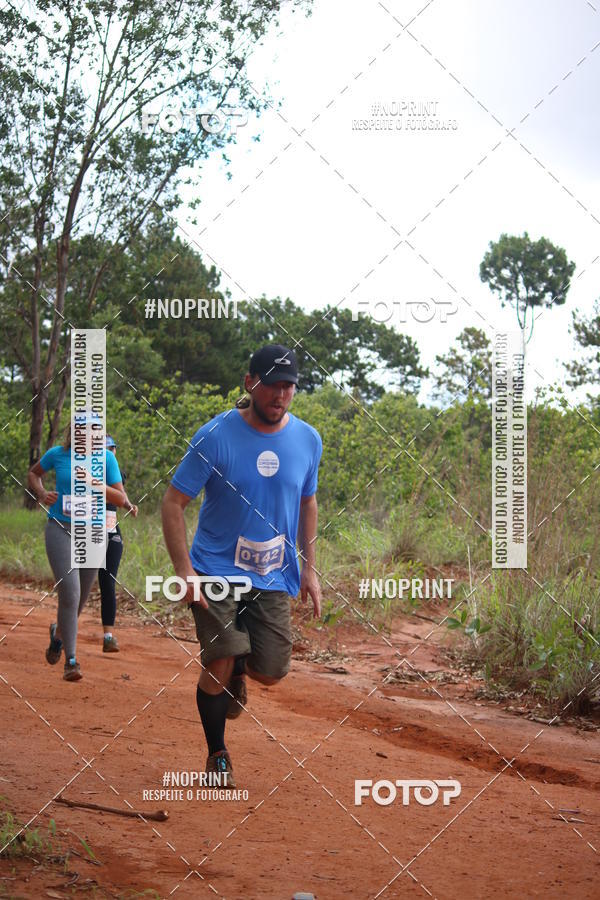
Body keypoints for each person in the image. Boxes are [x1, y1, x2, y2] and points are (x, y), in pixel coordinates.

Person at [161, 344, 322, 786]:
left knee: (271, 672)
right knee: (220, 660)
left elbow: (308, 502)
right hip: (214, 569)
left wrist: (308, 568)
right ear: (250, 383)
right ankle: (217, 754)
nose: (281, 394)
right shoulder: (215, 436)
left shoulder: (308, 440)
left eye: (289, 386)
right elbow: (173, 503)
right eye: (272, 384)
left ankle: (239, 670)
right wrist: (183, 570)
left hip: (273, 573)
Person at [27, 417, 127, 681]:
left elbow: (120, 497)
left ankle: (58, 636)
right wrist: (40, 492)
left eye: (96, 430)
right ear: (74, 431)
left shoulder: (106, 459)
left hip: (94, 534)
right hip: (60, 528)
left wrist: (95, 483)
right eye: (84, 429)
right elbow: (34, 473)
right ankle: (71, 661)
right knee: (70, 593)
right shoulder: (57, 454)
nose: (90, 434)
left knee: (80, 597)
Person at [98, 434, 138, 653]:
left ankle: (108, 636)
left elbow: (119, 494)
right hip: (87, 531)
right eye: (106, 449)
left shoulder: (115, 471)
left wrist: (129, 505)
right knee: (79, 587)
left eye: (112, 449)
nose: (111, 453)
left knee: (108, 581)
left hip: (110, 530)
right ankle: (62, 629)